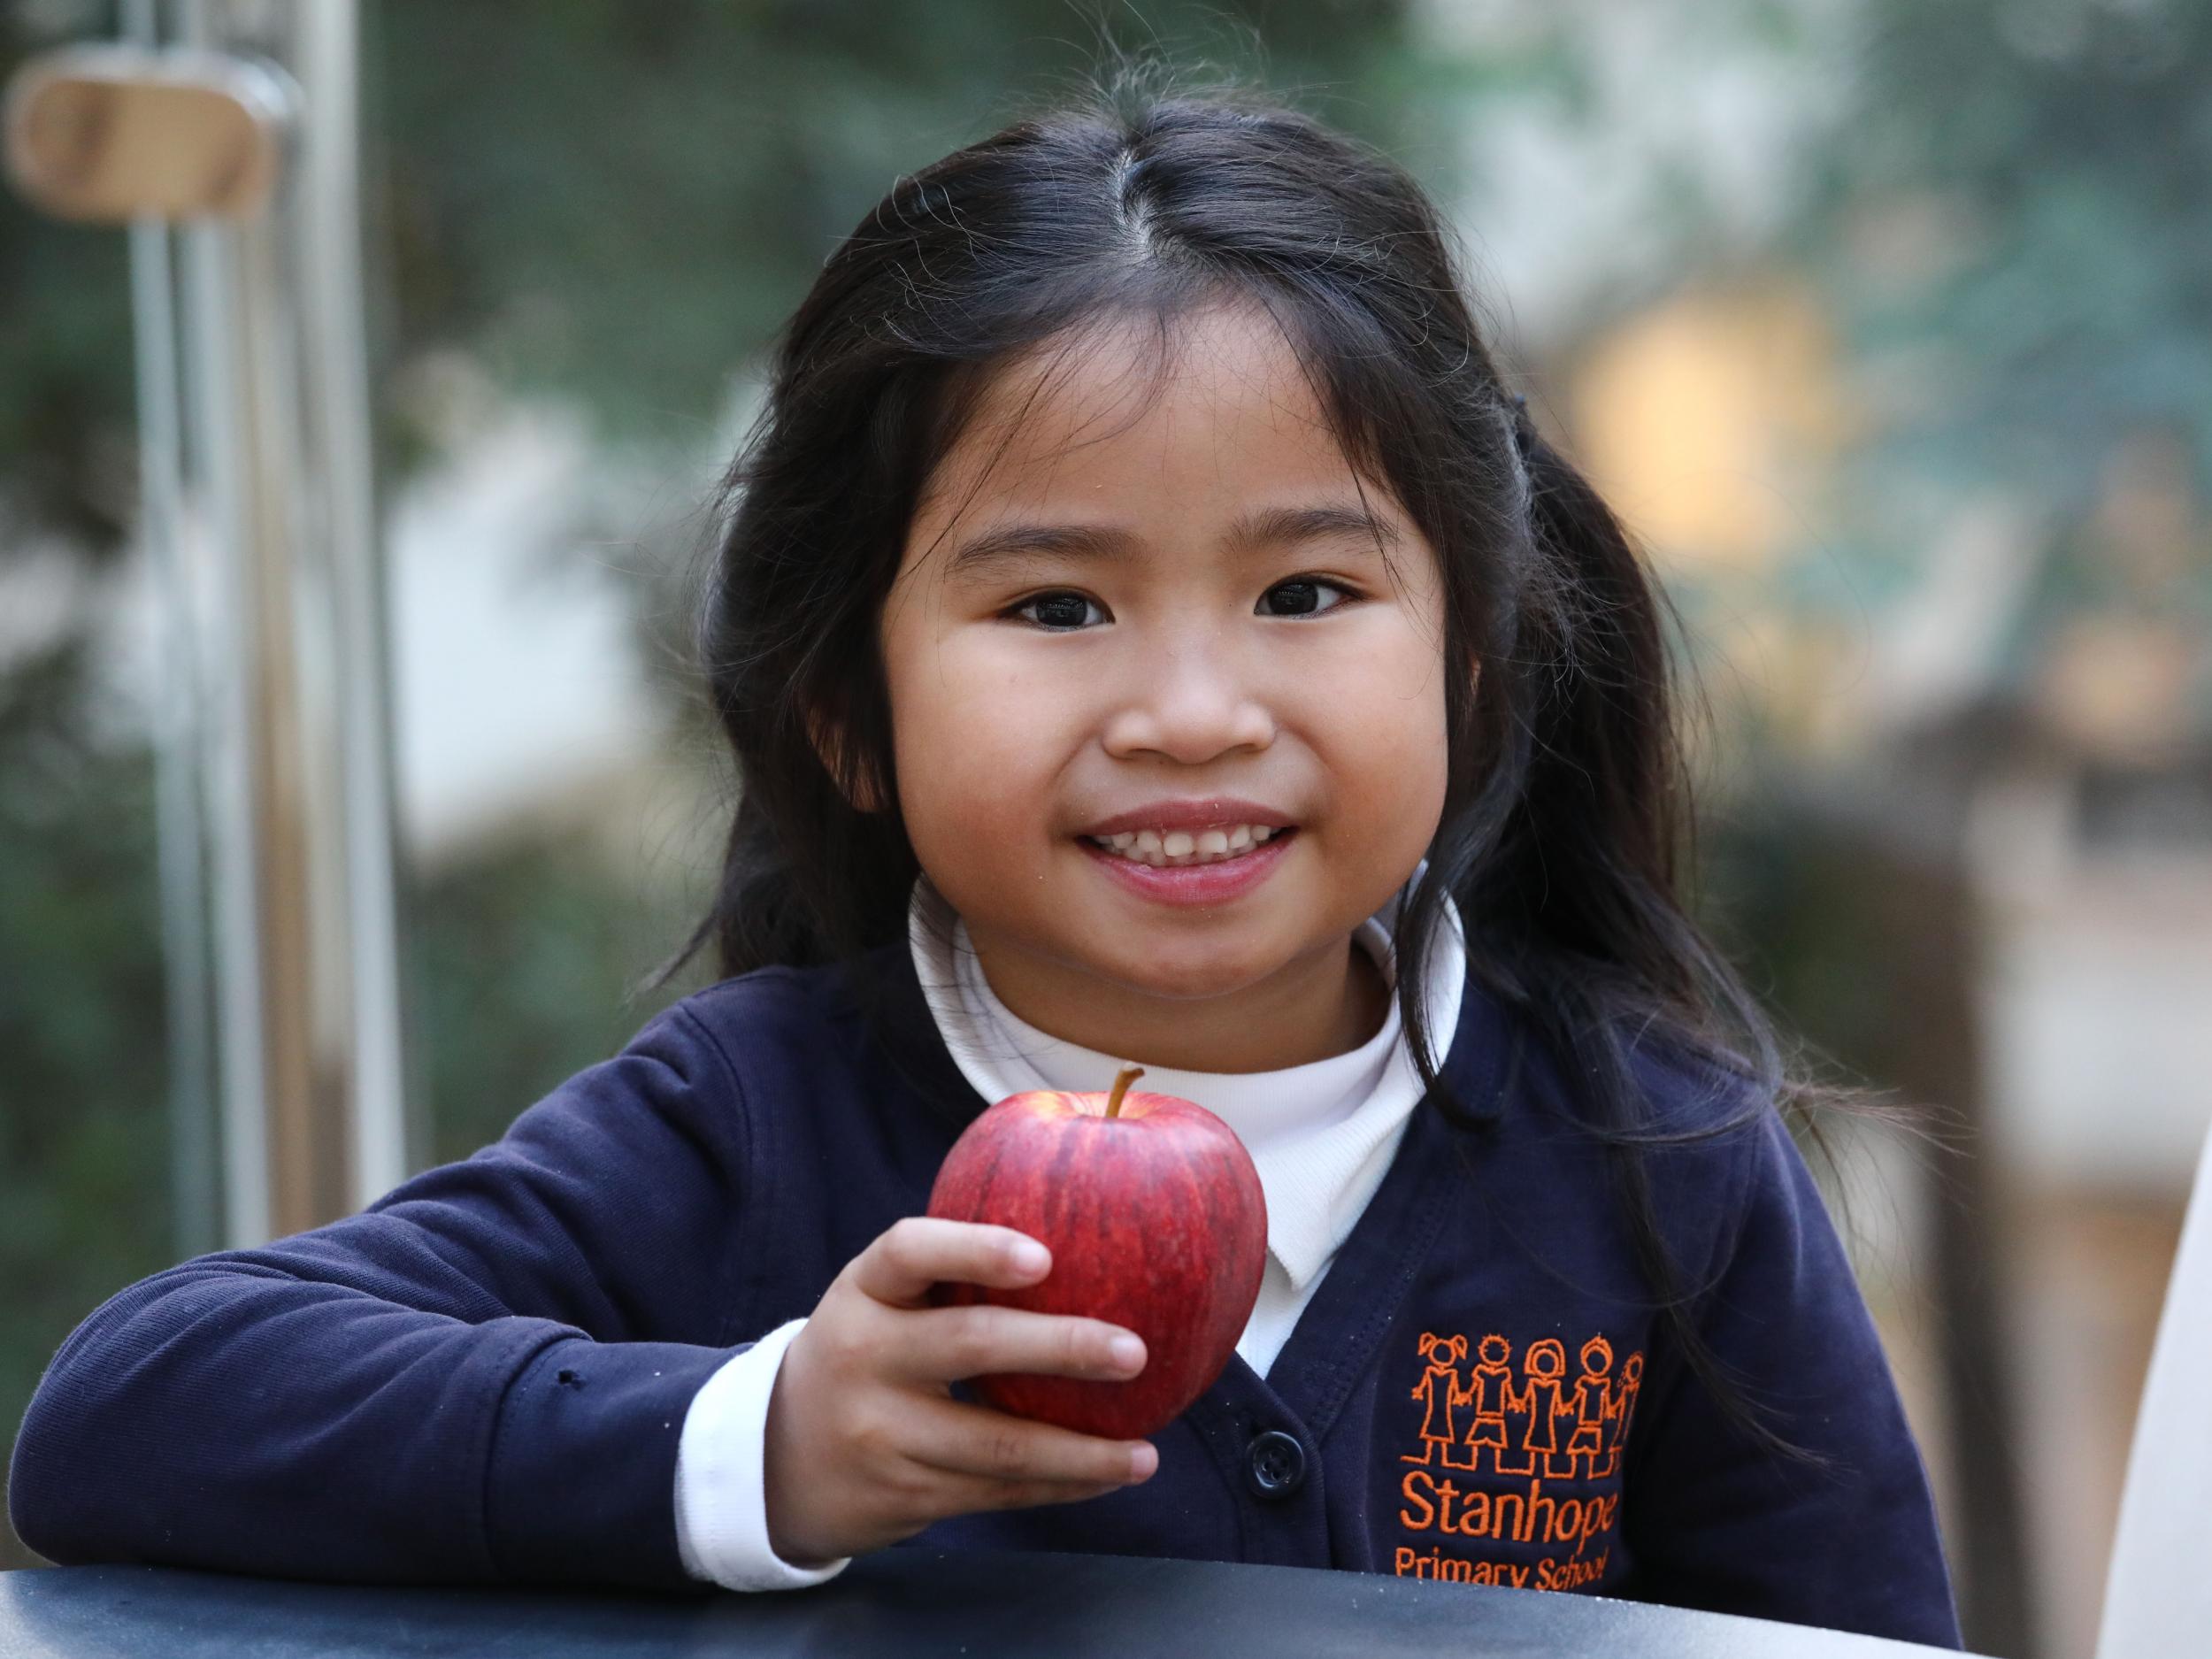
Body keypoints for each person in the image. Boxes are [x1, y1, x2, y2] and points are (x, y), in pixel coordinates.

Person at [6, 68, 1962, 1649]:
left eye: (1301, 587)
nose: (1191, 708)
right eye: (1052, 607)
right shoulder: (747, 1127)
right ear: (846, 711)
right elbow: (134, 1409)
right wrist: (758, 1439)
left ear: (1469, 648)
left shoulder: (1655, 1158)